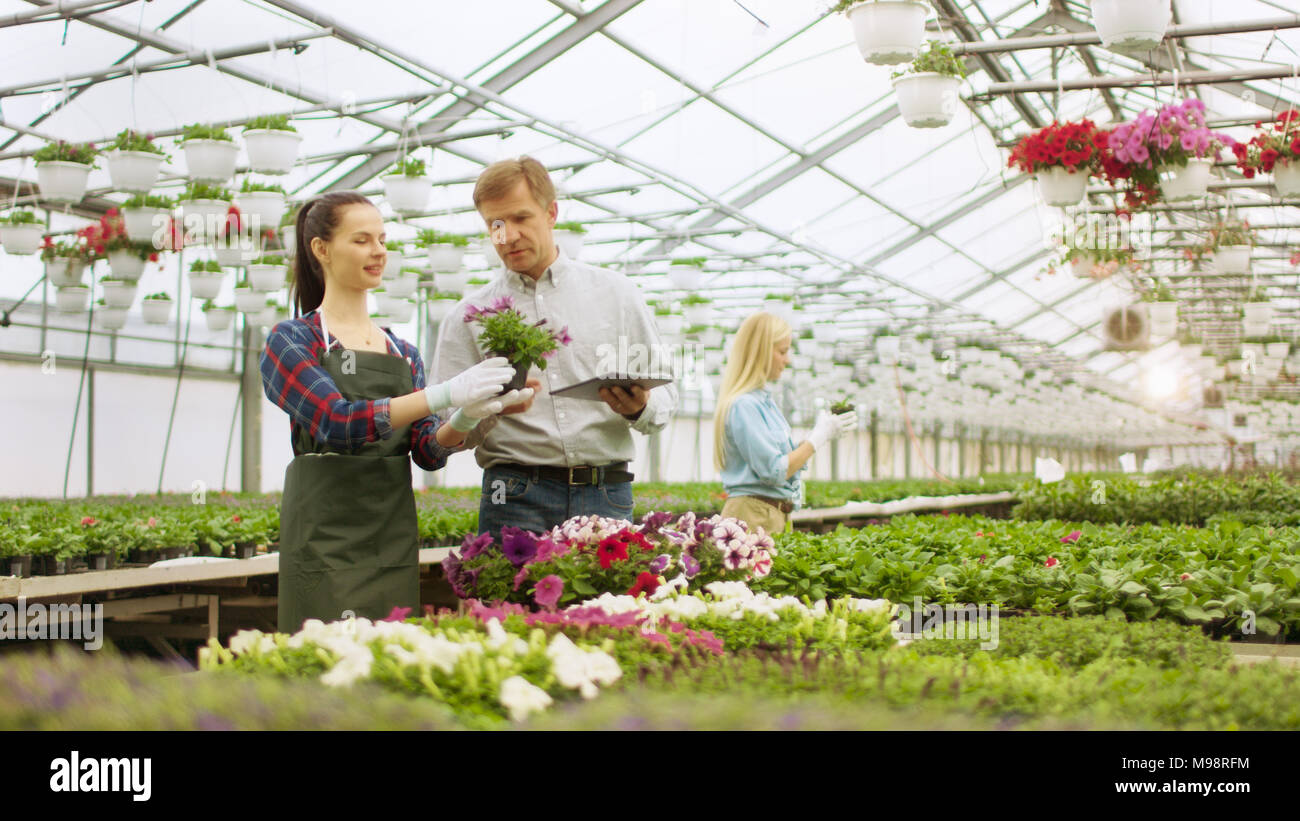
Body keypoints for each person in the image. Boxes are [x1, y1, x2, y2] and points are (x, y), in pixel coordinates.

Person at [260, 191, 531, 632]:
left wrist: (464, 418)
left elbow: (426, 450)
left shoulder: (401, 351)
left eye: (383, 240)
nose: (379, 251)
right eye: (362, 240)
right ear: (322, 250)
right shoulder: (292, 341)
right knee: (322, 661)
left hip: (391, 541)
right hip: (323, 545)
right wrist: (445, 394)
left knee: (394, 656)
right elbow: (338, 422)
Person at [432, 157, 678, 537]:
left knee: (609, 599)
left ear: (551, 213)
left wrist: (640, 406)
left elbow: (666, 399)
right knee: (510, 599)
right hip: (512, 494)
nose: (507, 235)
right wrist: (487, 411)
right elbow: (443, 432)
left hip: (605, 491)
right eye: (494, 224)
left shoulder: (617, 295)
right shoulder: (468, 316)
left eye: (520, 218)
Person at [713, 312, 856, 534]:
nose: (787, 360)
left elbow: (779, 461)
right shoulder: (744, 405)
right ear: (760, 351)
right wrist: (818, 438)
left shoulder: (765, 403)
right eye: (782, 351)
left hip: (771, 514)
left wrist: (821, 433)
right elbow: (774, 471)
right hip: (752, 516)